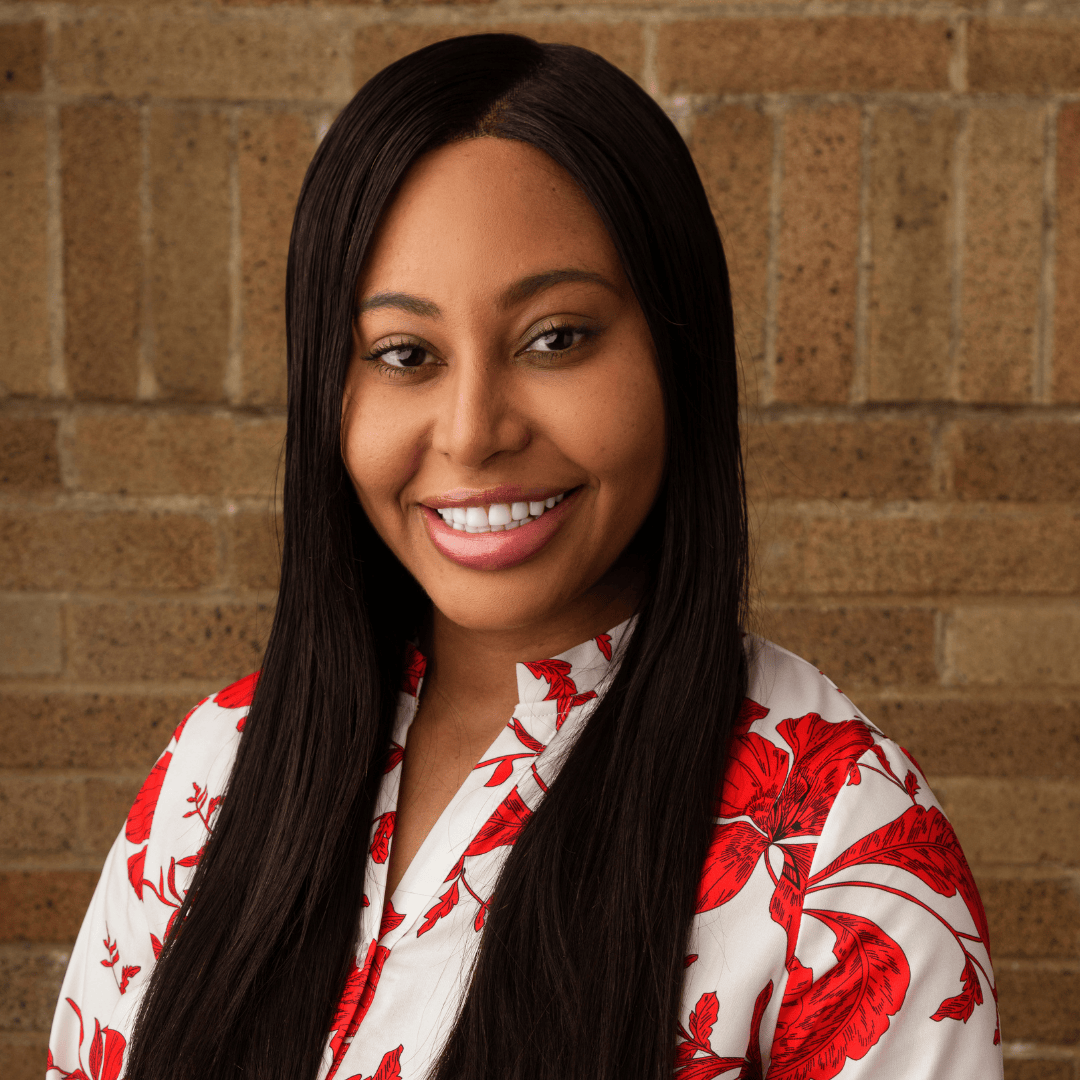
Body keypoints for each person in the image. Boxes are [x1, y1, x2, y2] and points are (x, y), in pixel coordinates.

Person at [47, 34, 1003, 1080]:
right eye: (405, 355)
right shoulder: (217, 769)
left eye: (556, 339)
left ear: (676, 359)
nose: (471, 432)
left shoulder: (841, 845)